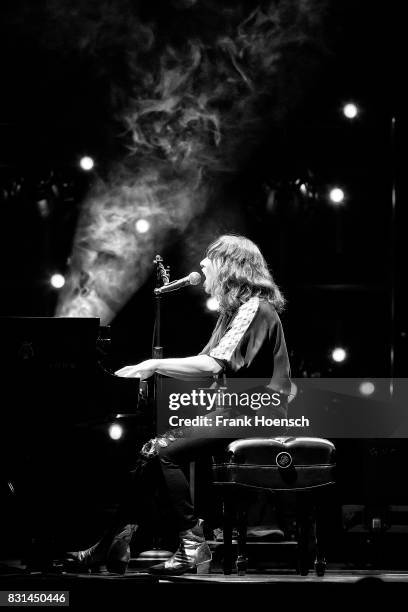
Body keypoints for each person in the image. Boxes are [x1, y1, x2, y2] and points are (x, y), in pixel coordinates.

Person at [65, 234, 292, 576]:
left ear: (229, 267)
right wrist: (147, 371)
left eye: (208, 259)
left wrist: (153, 365)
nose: (201, 264)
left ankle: (192, 545)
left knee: (163, 452)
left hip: (258, 412)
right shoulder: (233, 312)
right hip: (234, 410)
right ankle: (114, 541)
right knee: (150, 452)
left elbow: (213, 365)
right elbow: (204, 363)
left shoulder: (256, 309)